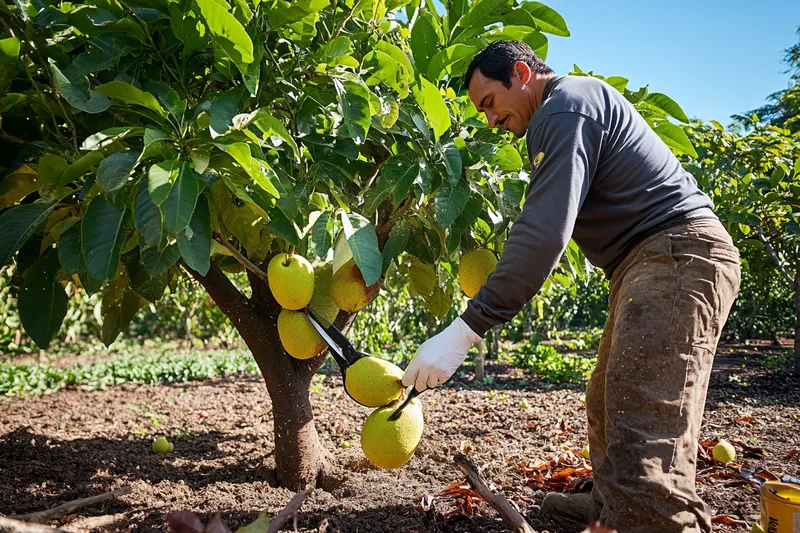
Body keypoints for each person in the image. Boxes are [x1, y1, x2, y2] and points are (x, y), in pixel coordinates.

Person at [400, 40, 741, 533]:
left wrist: (464, 331)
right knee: (609, 398)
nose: (490, 122)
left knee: (642, 420)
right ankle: (611, 503)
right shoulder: (564, 111)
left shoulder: (564, 108)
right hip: (649, 261)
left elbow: (543, 234)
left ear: (521, 73)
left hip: (676, 255)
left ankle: (649, 517)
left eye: (490, 104)